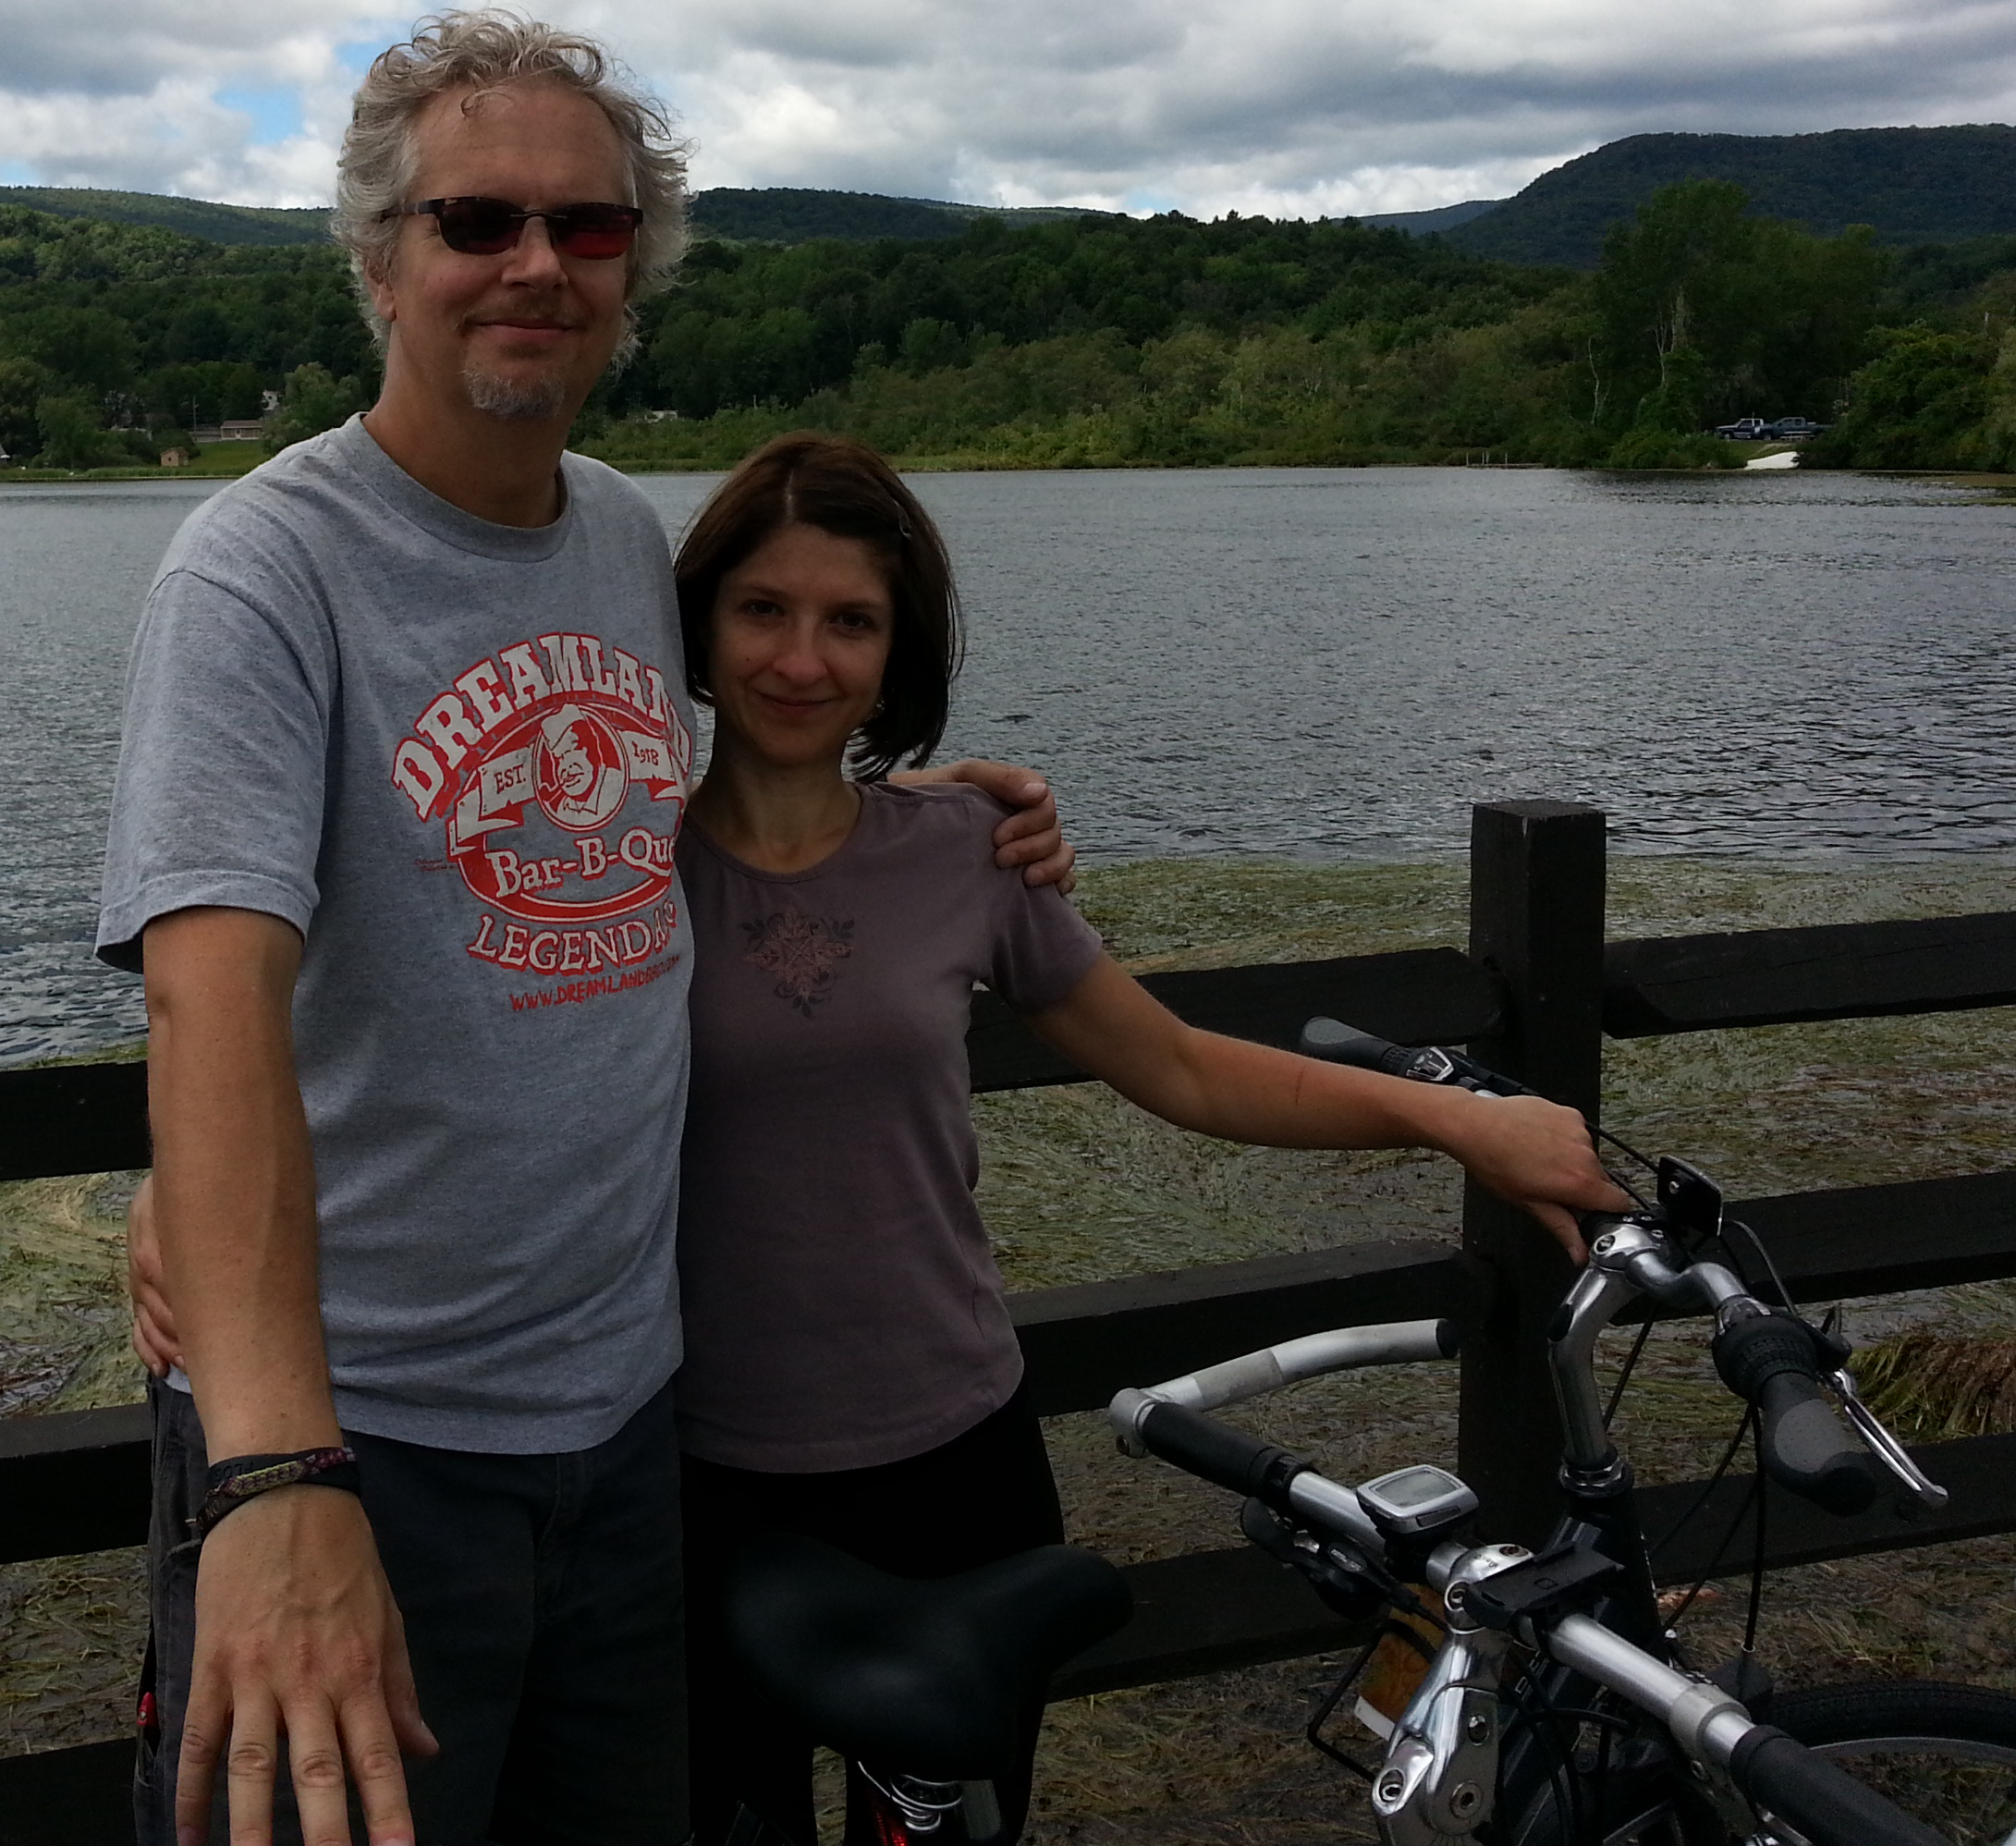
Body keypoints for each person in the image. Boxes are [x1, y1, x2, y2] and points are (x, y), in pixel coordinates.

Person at [95, 11, 1071, 1846]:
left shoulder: (626, 543)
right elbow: (208, 1002)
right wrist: (273, 1470)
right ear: (381, 260)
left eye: (590, 225)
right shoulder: (260, 572)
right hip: (369, 1434)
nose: (536, 263)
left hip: (631, 1430)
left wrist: (927, 812)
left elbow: (720, 794)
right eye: (476, 220)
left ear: (635, 271)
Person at [665, 433, 1625, 1846]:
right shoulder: (608, 869)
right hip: (699, 1476)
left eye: (850, 621)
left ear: (898, 649)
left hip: (953, 1462)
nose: (802, 659)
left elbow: (1178, 1065)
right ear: (699, 623)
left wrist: (1456, 1119)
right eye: (763, 609)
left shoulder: (967, 854)